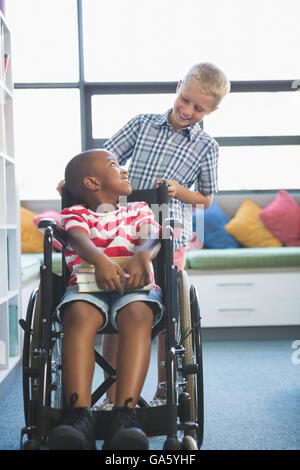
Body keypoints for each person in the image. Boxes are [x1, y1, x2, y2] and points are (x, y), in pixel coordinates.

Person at [56, 62, 230, 405]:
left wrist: (180, 191)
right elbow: (103, 161)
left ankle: (164, 388)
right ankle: (111, 389)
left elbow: (207, 199)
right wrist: (75, 183)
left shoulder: (207, 146)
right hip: (120, 223)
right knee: (115, 300)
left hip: (169, 227)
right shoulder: (143, 124)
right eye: (186, 100)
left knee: (164, 309)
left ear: (212, 110)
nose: (188, 111)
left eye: (199, 108)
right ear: (179, 87)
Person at [48, 149, 163, 450]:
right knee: (77, 316)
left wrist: (142, 254)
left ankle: (125, 415)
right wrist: (99, 260)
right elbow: (77, 238)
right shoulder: (75, 214)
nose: (123, 169)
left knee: (139, 315)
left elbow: (152, 235)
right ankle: (78, 415)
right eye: (114, 165)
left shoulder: (138, 209)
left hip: (134, 287)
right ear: (92, 182)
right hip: (87, 287)